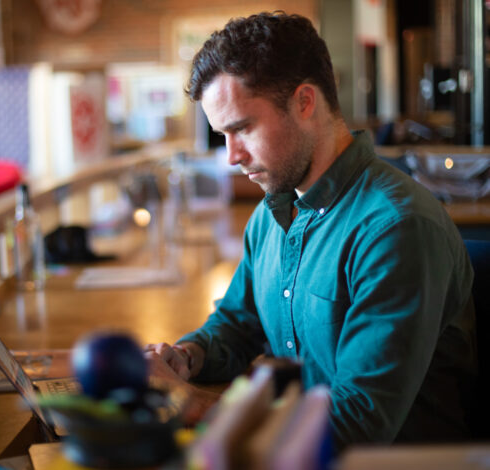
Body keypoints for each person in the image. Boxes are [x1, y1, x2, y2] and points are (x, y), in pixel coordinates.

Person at [145, 11, 477, 452]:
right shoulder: (272, 214)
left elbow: (357, 424)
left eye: (242, 128)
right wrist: (187, 358)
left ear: (305, 102)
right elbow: (236, 325)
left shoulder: (395, 229)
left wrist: (190, 405)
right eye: (222, 135)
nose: (231, 157)